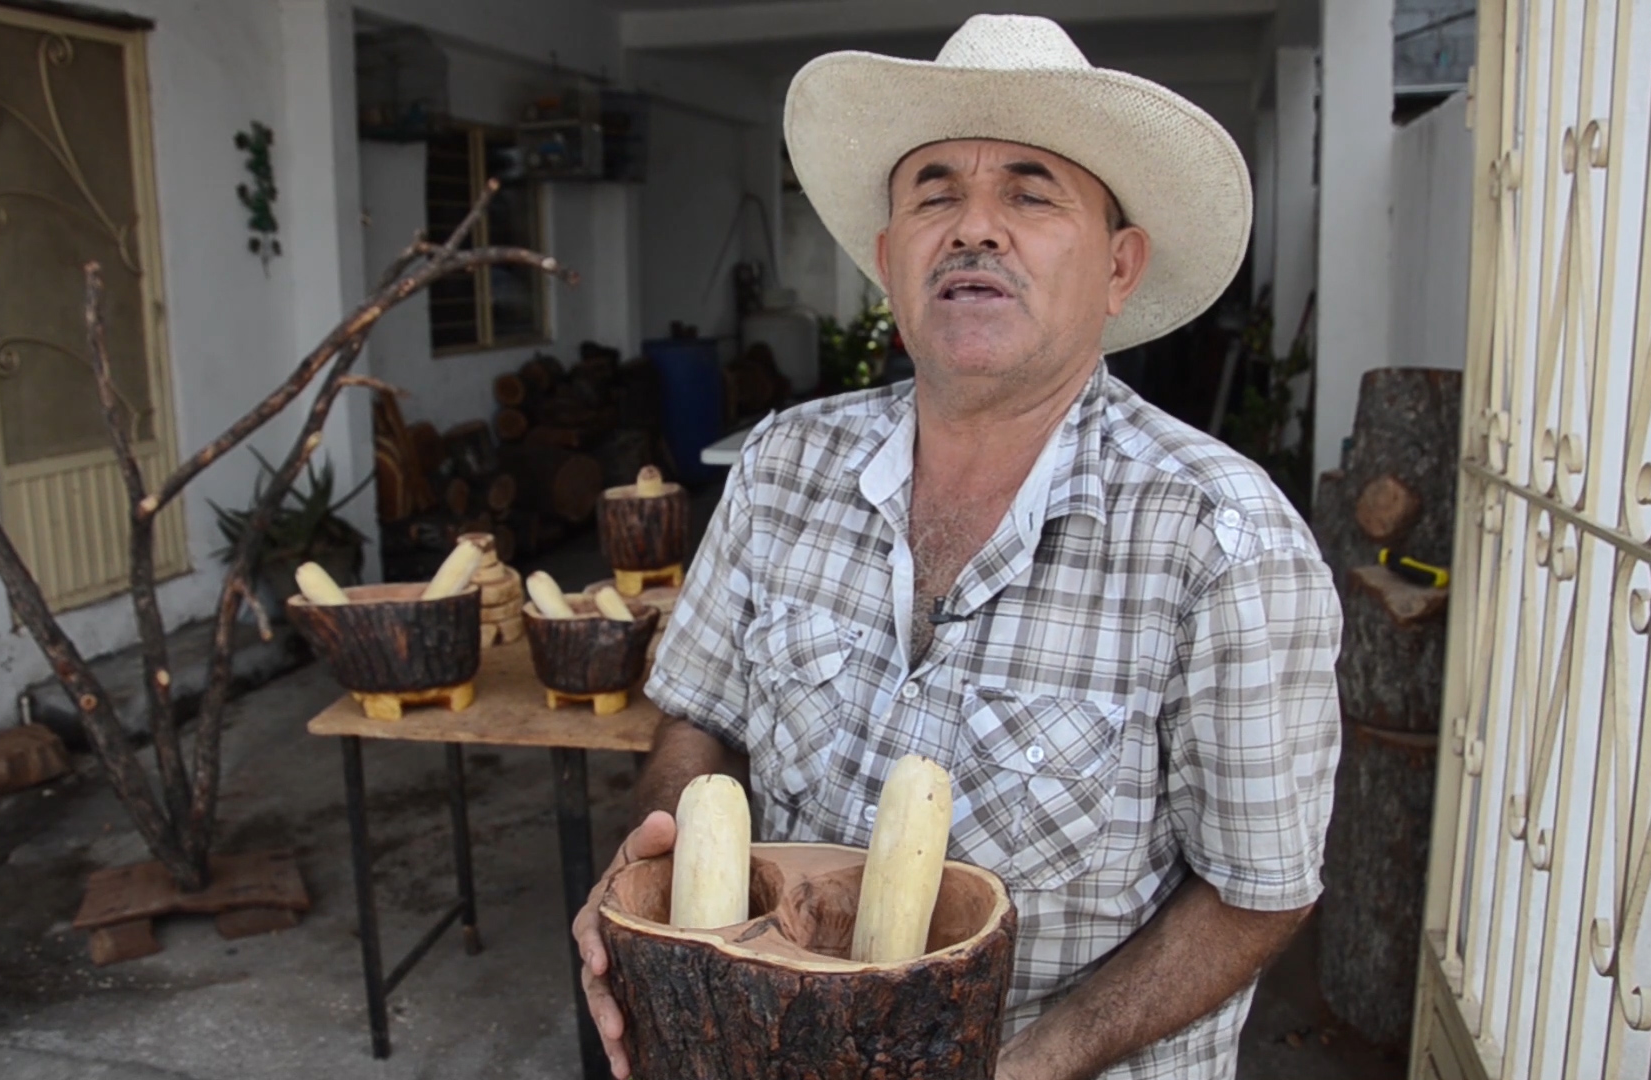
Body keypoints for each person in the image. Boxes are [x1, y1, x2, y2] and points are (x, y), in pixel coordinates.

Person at [573, 14, 1342, 1079]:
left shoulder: (1223, 542)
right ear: (891, 261)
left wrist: (1032, 1060)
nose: (974, 229)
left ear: (1119, 268)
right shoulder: (783, 466)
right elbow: (700, 717)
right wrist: (646, 894)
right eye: (935, 192)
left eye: (1032, 193)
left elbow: (1261, 891)